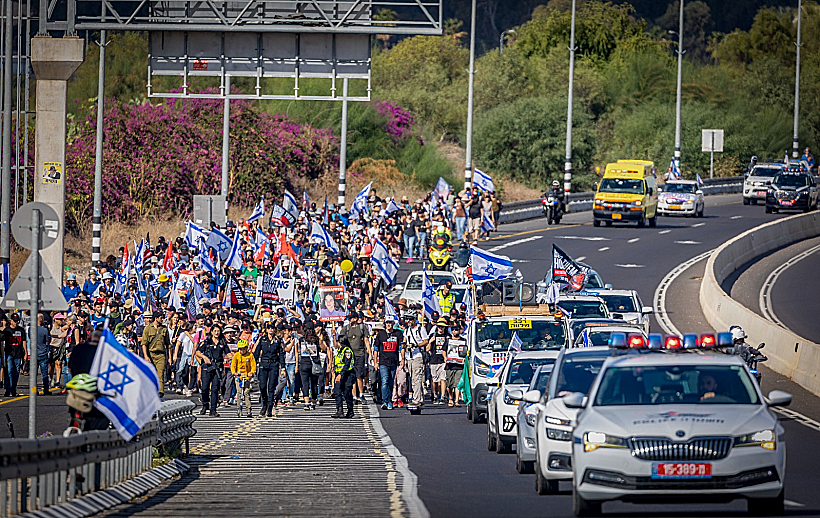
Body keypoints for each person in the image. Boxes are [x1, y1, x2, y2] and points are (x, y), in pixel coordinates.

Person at [196, 324, 229, 417]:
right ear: (211, 332)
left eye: (218, 331)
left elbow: (228, 353)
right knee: (205, 388)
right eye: (215, 331)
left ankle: (213, 409)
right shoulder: (206, 342)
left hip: (217, 367)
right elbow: (197, 352)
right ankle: (205, 404)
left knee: (215, 389)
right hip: (207, 367)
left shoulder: (223, 342)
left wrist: (233, 358)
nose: (217, 333)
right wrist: (204, 357)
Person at [340, 311, 371, 404]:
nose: (350, 320)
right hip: (350, 355)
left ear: (356, 319)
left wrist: (370, 354)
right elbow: (340, 340)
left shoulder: (362, 328)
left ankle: (361, 394)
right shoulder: (346, 329)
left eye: (352, 318)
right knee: (351, 376)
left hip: (360, 354)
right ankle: (354, 396)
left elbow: (366, 340)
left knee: (359, 375)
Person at [255, 322, 285, 417]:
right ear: (266, 330)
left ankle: (269, 407)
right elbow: (256, 352)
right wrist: (252, 364)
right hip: (263, 363)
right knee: (262, 386)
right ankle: (264, 404)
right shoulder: (262, 339)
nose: (271, 330)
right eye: (269, 328)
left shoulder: (278, 340)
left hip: (273, 364)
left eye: (272, 328)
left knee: (271, 387)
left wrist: (283, 367)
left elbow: (281, 354)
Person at [373, 317, 403, 410]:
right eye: (387, 323)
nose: (389, 324)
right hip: (383, 362)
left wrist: (403, 359)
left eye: (390, 323)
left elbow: (401, 347)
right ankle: (384, 401)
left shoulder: (398, 334)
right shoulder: (381, 334)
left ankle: (390, 400)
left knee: (391, 382)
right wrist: (375, 362)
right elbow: (376, 349)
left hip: (393, 361)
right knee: (384, 381)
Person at [295, 320, 326, 410]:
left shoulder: (301, 340)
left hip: (304, 364)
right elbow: (324, 348)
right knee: (314, 383)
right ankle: (313, 401)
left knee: (305, 384)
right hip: (314, 363)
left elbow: (298, 351)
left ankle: (306, 403)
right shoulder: (316, 339)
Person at [141, 311, 170, 398]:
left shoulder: (164, 329)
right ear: (156, 318)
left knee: (160, 373)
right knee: (151, 374)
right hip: (151, 354)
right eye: (161, 317)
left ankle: (160, 391)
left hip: (161, 354)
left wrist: (170, 357)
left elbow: (168, 344)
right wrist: (146, 356)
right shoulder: (148, 329)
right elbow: (144, 344)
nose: (162, 319)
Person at [403, 311, 428, 407]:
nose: (408, 321)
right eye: (407, 319)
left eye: (410, 319)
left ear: (414, 319)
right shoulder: (407, 330)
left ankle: (416, 399)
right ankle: (419, 397)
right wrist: (405, 345)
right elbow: (404, 341)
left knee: (416, 378)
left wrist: (415, 345)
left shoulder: (420, 329)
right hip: (409, 356)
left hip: (417, 356)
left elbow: (426, 341)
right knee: (412, 379)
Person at [231, 339, 257, 417]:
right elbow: (233, 365)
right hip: (239, 376)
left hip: (246, 376)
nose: (242, 350)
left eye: (244, 348)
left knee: (246, 392)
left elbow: (253, 365)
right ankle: (239, 408)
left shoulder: (250, 355)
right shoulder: (236, 355)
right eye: (240, 349)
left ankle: (248, 409)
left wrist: (251, 372)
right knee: (239, 393)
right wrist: (234, 372)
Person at [3, 313, 27, 397]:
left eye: (17, 321)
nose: (16, 323)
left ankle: (13, 389)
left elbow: (24, 341)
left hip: (18, 353)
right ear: (11, 321)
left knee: (16, 372)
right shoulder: (7, 330)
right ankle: (8, 389)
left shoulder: (21, 330)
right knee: (9, 371)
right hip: (9, 353)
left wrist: (26, 353)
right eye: (15, 321)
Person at [331, 337, 355, 419]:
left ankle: (350, 410)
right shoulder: (339, 350)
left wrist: (341, 374)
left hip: (347, 374)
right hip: (338, 373)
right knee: (337, 391)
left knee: (347, 393)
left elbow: (347, 364)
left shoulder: (347, 351)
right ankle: (339, 410)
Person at [428, 317, 450, 405]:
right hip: (434, 360)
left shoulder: (447, 336)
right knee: (435, 380)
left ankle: (442, 396)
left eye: (443, 327)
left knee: (443, 379)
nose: (441, 328)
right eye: (439, 326)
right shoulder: (433, 335)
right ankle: (435, 394)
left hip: (443, 360)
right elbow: (427, 349)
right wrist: (430, 342)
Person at [444, 325, 466, 407]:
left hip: (459, 365)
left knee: (457, 384)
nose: (454, 331)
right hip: (449, 365)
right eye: (453, 330)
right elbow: (444, 350)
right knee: (449, 384)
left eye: (456, 329)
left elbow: (466, 351)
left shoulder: (463, 340)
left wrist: (465, 358)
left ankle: (456, 400)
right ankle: (450, 398)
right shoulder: (448, 340)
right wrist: (445, 357)